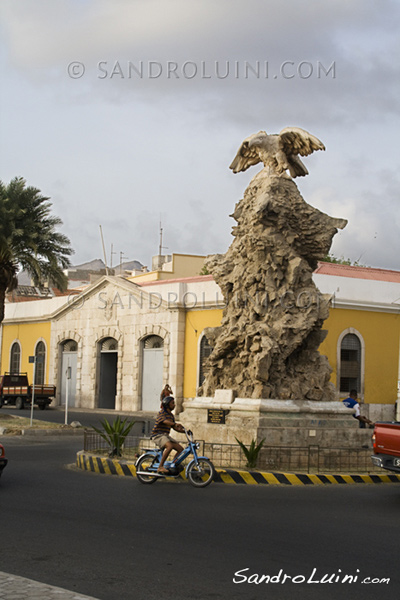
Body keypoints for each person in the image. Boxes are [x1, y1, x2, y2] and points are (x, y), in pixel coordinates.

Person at [151, 396, 185, 474]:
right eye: (172, 403)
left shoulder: (171, 416)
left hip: (165, 435)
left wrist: (184, 431)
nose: (174, 405)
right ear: (167, 405)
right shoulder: (162, 412)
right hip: (158, 435)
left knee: (181, 449)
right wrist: (175, 424)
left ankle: (173, 465)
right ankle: (160, 467)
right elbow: (165, 421)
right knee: (169, 446)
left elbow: (174, 427)